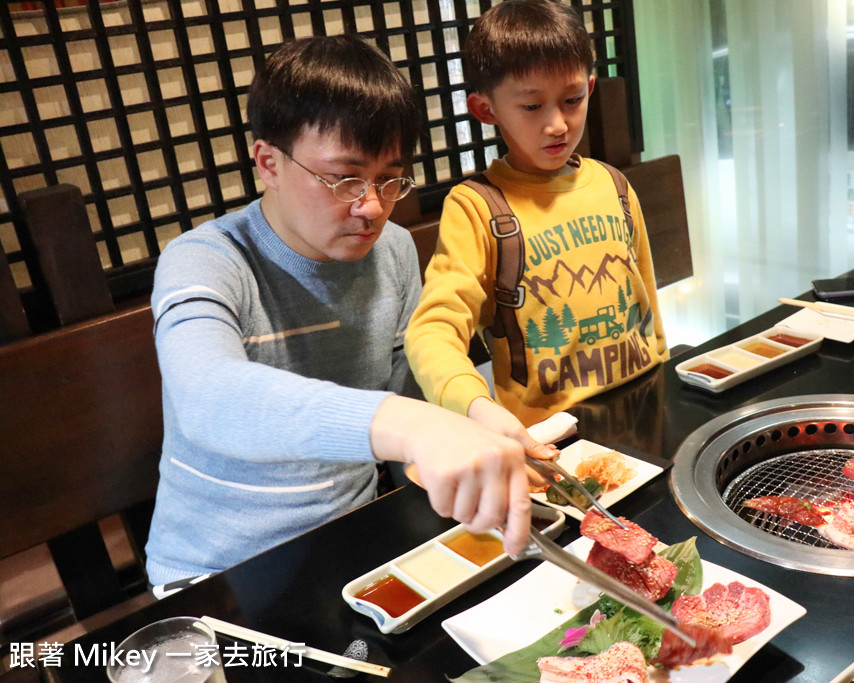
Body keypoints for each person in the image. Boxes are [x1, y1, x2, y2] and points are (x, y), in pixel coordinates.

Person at [145, 34, 536, 590]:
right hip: (218, 573)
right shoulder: (205, 260)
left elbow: (412, 385)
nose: (371, 206)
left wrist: (474, 416)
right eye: (345, 178)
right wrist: (412, 425)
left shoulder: (393, 249)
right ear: (268, 162)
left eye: (387, 179)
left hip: (356, 545)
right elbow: (204, 395)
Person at [405, 0, 669, 447]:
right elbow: (433, 329)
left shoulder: (613, 184)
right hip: (551, 439)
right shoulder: (476, 208)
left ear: (589, 87)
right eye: (531, 106)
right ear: (486, 110)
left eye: (572, 100)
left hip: (647, 409)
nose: (557, 124)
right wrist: (476, 405)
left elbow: (646, 303)